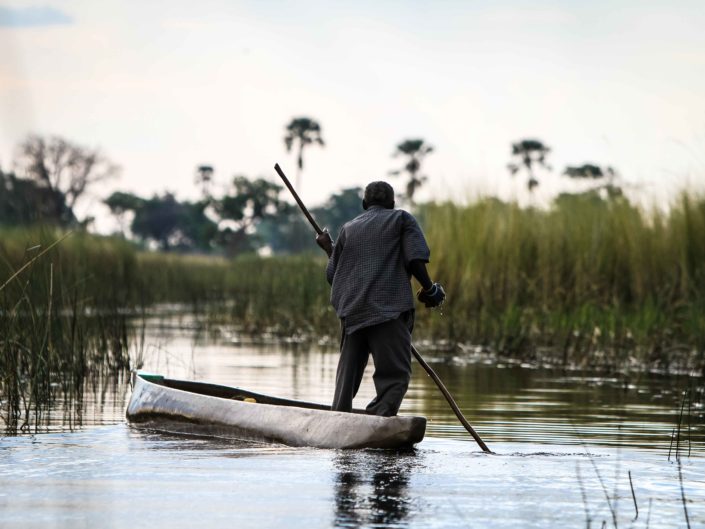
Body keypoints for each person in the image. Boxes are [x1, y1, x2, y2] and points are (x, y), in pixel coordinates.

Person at [315, 181, 445, 417]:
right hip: (387, 309)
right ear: (392, 203)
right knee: (395, 376)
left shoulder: (349, 228)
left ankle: (338, 419)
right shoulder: (401, 219)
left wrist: (329, 249)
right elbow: (414, 259)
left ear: (365, 204)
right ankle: (378, 419)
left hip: (353, 312)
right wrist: (430, 289)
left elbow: (334, 275)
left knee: (347, 379)